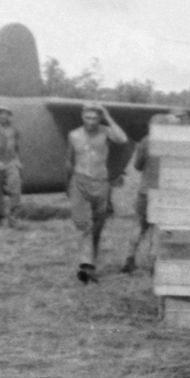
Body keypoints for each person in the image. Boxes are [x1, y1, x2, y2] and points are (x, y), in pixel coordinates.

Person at [64, 103, 128, 283]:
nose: (90, 121)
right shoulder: (74, 135)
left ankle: (90, 265)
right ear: (82, 117)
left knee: (97, 227)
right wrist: (66, 184)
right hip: (79, 181)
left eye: (94, 118)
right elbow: (69, 161)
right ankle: (86, 265)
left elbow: (122, 139)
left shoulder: (106, 132)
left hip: (101, 183)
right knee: (84, 224)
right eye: (87, 117)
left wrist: (107, 115)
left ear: (99, 118)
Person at [122, 107, 186, 273]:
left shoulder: (145, 141)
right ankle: (153, 264)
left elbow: (137, 166)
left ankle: (129, 259)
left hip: (145, 191)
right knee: (157, 230)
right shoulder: (175, 143)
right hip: (165, 192)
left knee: (139, 226)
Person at [0, 105, 23, 228]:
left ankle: (14, 218)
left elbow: (16, 146)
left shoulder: (14, 129)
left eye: (5, 113)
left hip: (11, 162)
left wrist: (17, 160)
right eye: (0, 113)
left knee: (15, 189)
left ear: (9, 115)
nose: (3, 115)